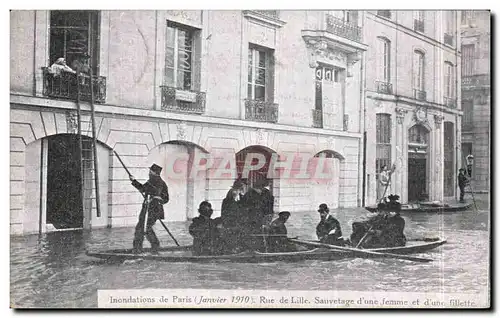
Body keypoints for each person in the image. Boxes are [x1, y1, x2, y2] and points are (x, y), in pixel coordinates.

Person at [129, 164, 169, 254]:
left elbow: (143, 189)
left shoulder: (155, 181)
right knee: (144, 228)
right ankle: (148, 247)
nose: (149, 173)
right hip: (152, 209)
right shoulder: (160, 182)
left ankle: (141, 248)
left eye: (150, 171)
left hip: (152, 209)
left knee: (142, 228)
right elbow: (166, 199)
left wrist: (134, 180)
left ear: (154, 173)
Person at [220, 179, 247, 253]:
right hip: (230, 223)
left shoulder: (242, 199)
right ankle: (232, 249)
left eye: (238, 190)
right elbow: (224, 213)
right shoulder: (227, 201)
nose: (236, 192)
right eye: (235, 190)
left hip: (240, 222)